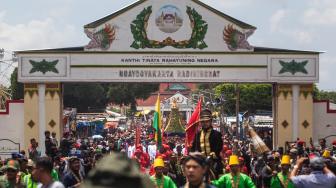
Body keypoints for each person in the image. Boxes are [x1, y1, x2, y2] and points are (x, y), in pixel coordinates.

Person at [191, 109, 223, 178]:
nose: (204, 123)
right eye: (202, 122)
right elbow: (193, 148)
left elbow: (218, 148)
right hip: (200, 163)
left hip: (214, 161)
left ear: (210, 121)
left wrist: (211, 156)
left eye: (207, 121)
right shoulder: (197, 135)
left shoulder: (216, 134)